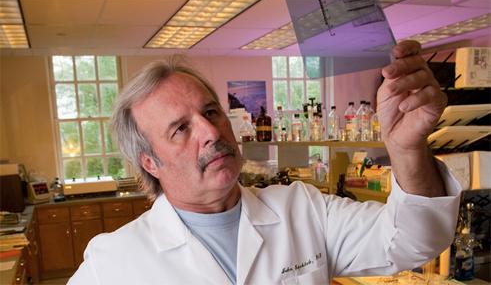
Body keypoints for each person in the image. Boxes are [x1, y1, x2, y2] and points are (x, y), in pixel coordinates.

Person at [68, 41, 461, 285]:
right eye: (181, 128)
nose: (211, 130)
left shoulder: (302, 209)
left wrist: (408, 149)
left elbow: (414, 240)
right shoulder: (115, 261)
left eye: (211, 111)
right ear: (150, 162)